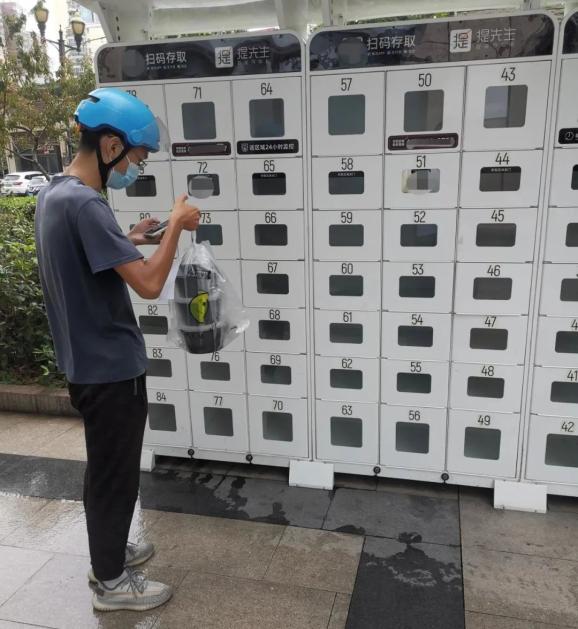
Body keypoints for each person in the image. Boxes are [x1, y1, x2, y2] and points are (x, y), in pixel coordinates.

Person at [34, 87, 200, 612]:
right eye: (136, 156)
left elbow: (89, 255)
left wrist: (132, 236)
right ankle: (109, 581)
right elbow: (149, 286)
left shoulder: (56, 194)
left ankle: (108, 551)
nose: (136, 167)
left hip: (83, 363)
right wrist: (175, 225)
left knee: (107, 468)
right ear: (110, 147)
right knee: (114, 474)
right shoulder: (87, 204)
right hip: (110, 369)